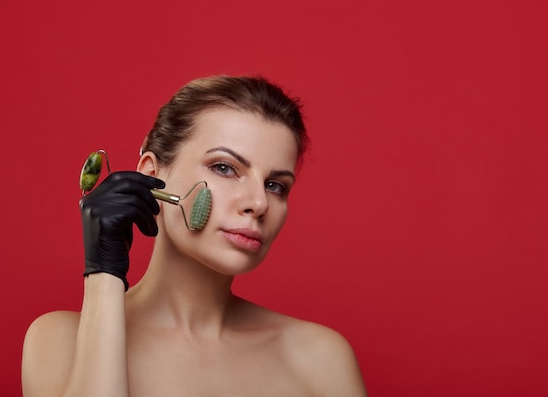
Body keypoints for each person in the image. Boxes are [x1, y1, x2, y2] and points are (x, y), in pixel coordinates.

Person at [21, 75, 367, 396]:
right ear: (152, 176)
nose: (259, 203)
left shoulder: (318, 357)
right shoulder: (60, 340)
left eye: (275, 185)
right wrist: (104, 275)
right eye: (224, 168)